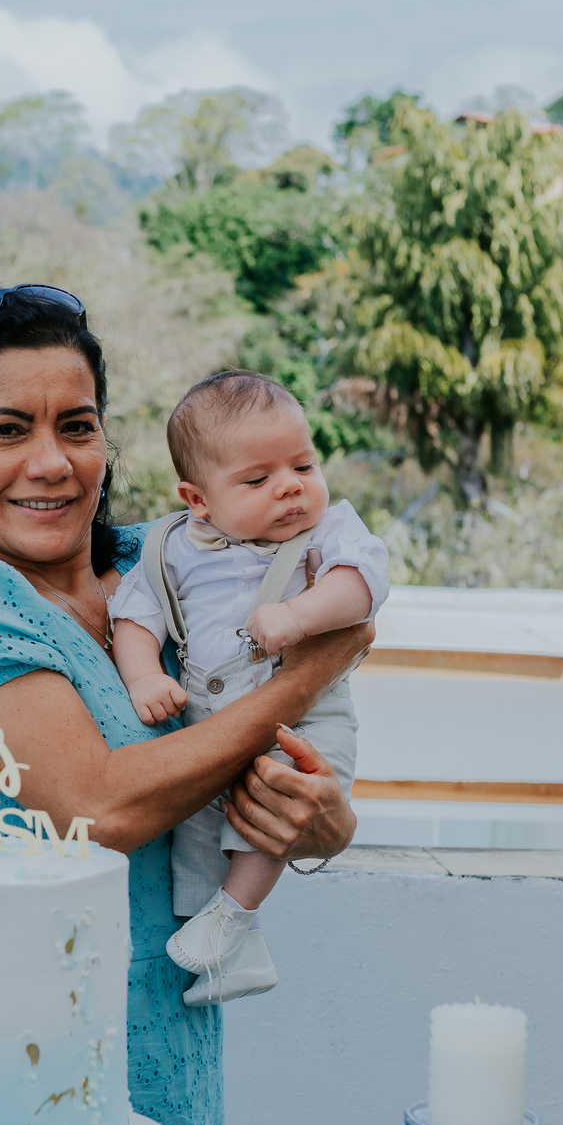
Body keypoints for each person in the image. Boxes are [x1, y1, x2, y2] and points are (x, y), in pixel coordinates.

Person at [0, 285, 372, 1125]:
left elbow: (286, 723)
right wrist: (315, 663)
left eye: (79, 426)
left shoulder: (171, 564)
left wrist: (323, 821)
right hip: (19, 1062)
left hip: (171, 1044)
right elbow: (97, 807)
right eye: (9, 429)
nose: (53, 463)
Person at [109, 370, 389, 1007]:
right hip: (208, 717)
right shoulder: (171, 547)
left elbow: (364, 588)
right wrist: (145, 675)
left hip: (308, 716)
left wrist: (298, 617)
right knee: (201, 833)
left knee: (272, 811)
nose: (291, 487)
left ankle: (233, 916)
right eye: (258, 480)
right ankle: (236, 947)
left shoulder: (329, 532)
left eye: (304, 465)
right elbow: (136, 615)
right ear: (197, 498)